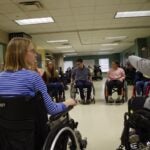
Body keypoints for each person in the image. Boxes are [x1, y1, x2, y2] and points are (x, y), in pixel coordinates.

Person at [0, 37, 76, 150]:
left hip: (5, 138)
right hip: (32, 138)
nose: (35, 55)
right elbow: (52, 110)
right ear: (22, 53)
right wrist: (67, 102)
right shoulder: (33, 77)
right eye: (32, 51)